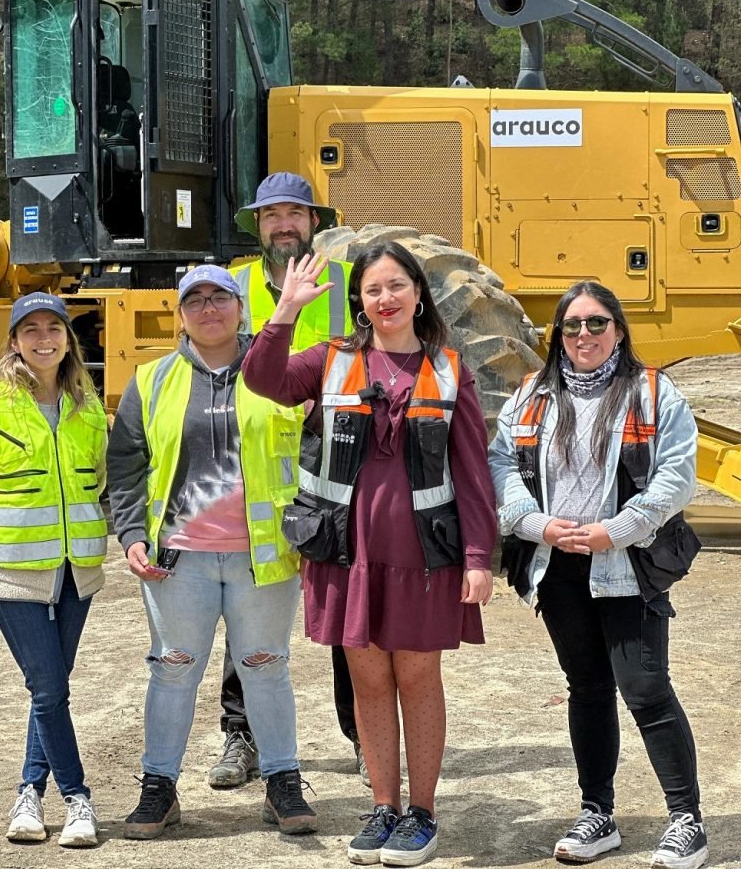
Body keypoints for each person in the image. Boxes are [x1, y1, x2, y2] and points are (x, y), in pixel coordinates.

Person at [241, 242, 497, 867]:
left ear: (418, 293)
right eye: (373, 289)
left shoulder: (449, 370)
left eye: (396, 286)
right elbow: (262, 379)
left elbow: (472, 472)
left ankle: (422, 814)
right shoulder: (331, 360)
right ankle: (384, 808)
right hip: (345, 555)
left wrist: (478, 555)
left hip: (423, 558)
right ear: (359, 300)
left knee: (418, 679)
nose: (386, 299)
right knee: (369, 681)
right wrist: (285, 312)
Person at [489, 281, 707, 869]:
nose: (583, 334)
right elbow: (501, 462)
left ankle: (686, 821)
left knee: (645, 689)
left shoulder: (652, 392)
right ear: (557, 333)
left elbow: (677, 475)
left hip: (627, 564)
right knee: (586, 688)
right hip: (559, 566)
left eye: (596, 323)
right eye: (572, 325)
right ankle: (597, 813)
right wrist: (535, 524)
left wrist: (621, 528)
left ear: (618, 329)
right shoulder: (532, 395)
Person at [106, 265, 317, 840]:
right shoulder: (151, 380)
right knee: (172, 671)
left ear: (240, 307)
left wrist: (313, 527)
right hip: (178, 560)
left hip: (264, 556)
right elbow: (124, 465)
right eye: (194, 300)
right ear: (180, 315)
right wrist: (131, 534)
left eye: (219, 297)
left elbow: (315, 449)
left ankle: (282, 783)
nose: (208, 308)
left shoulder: (278, 371)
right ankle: (158, 788)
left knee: (266, 668)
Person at [207, 170, 368, 791]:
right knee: (248, 612)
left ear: (314, 223)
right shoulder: (234, 286)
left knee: (347, 612)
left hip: (335, 467)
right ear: (257, 224)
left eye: (293, 214)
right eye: (271, 215)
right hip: (253, 470)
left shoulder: (350, 284)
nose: (282, 225)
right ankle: (241, 735)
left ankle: (365, 737)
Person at [0, 292, 108, 848]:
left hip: (78, 571)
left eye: (54, 327)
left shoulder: (88, 408)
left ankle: (29, 791)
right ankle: (78, 798)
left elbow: (97, 480)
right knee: (49, 688)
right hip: (12, 571)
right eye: (31, 329)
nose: (44, 338)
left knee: (49, 690)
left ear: (68, 340)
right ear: (14, 342)